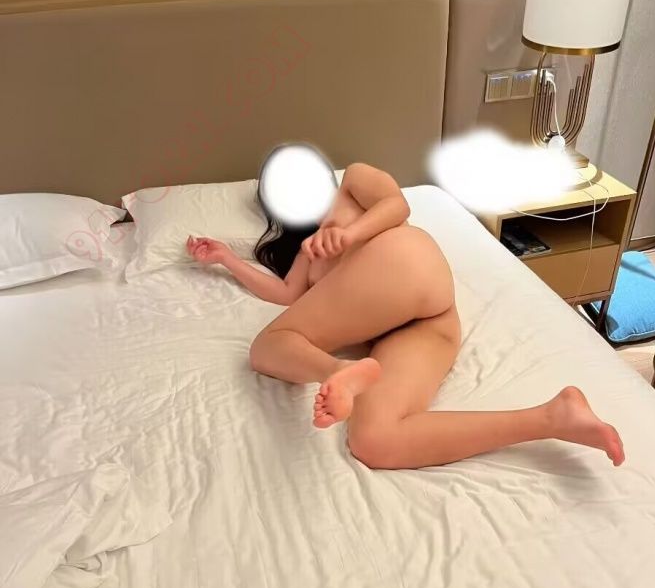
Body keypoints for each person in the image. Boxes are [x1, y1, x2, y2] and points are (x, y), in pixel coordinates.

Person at [185, 145, 624, 470]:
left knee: (267, 346)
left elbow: (398, 205)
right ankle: (553, 417)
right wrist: (226, 259)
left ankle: (337, 371)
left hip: (405, 263)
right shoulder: (307, 250)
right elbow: (285, 295)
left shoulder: (353, 182)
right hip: (427, 324)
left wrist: (350, 235)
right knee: (373, 441)